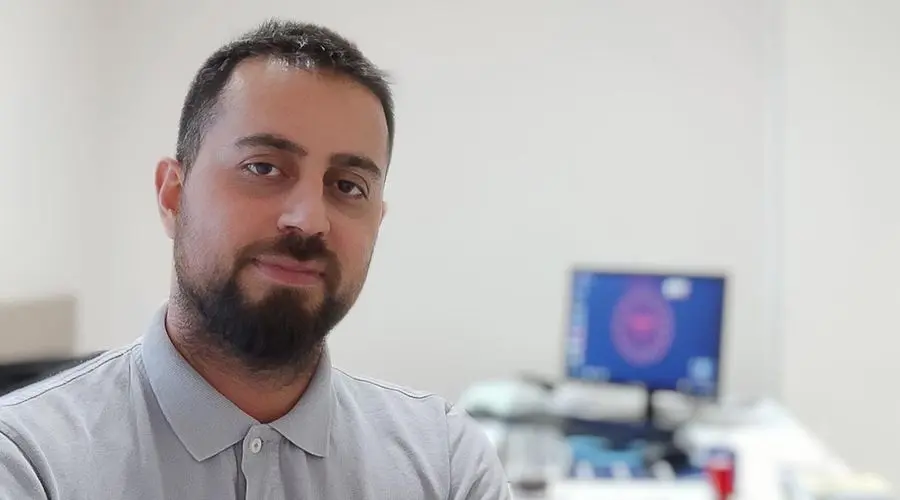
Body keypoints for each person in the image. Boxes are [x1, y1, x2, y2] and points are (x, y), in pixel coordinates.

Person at [0, 19, 510, 499]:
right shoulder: (29, 461)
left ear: (377, 220)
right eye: (263, 167)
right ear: (172, 196)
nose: (309, 220)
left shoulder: (445, 463)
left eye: (347, 186)